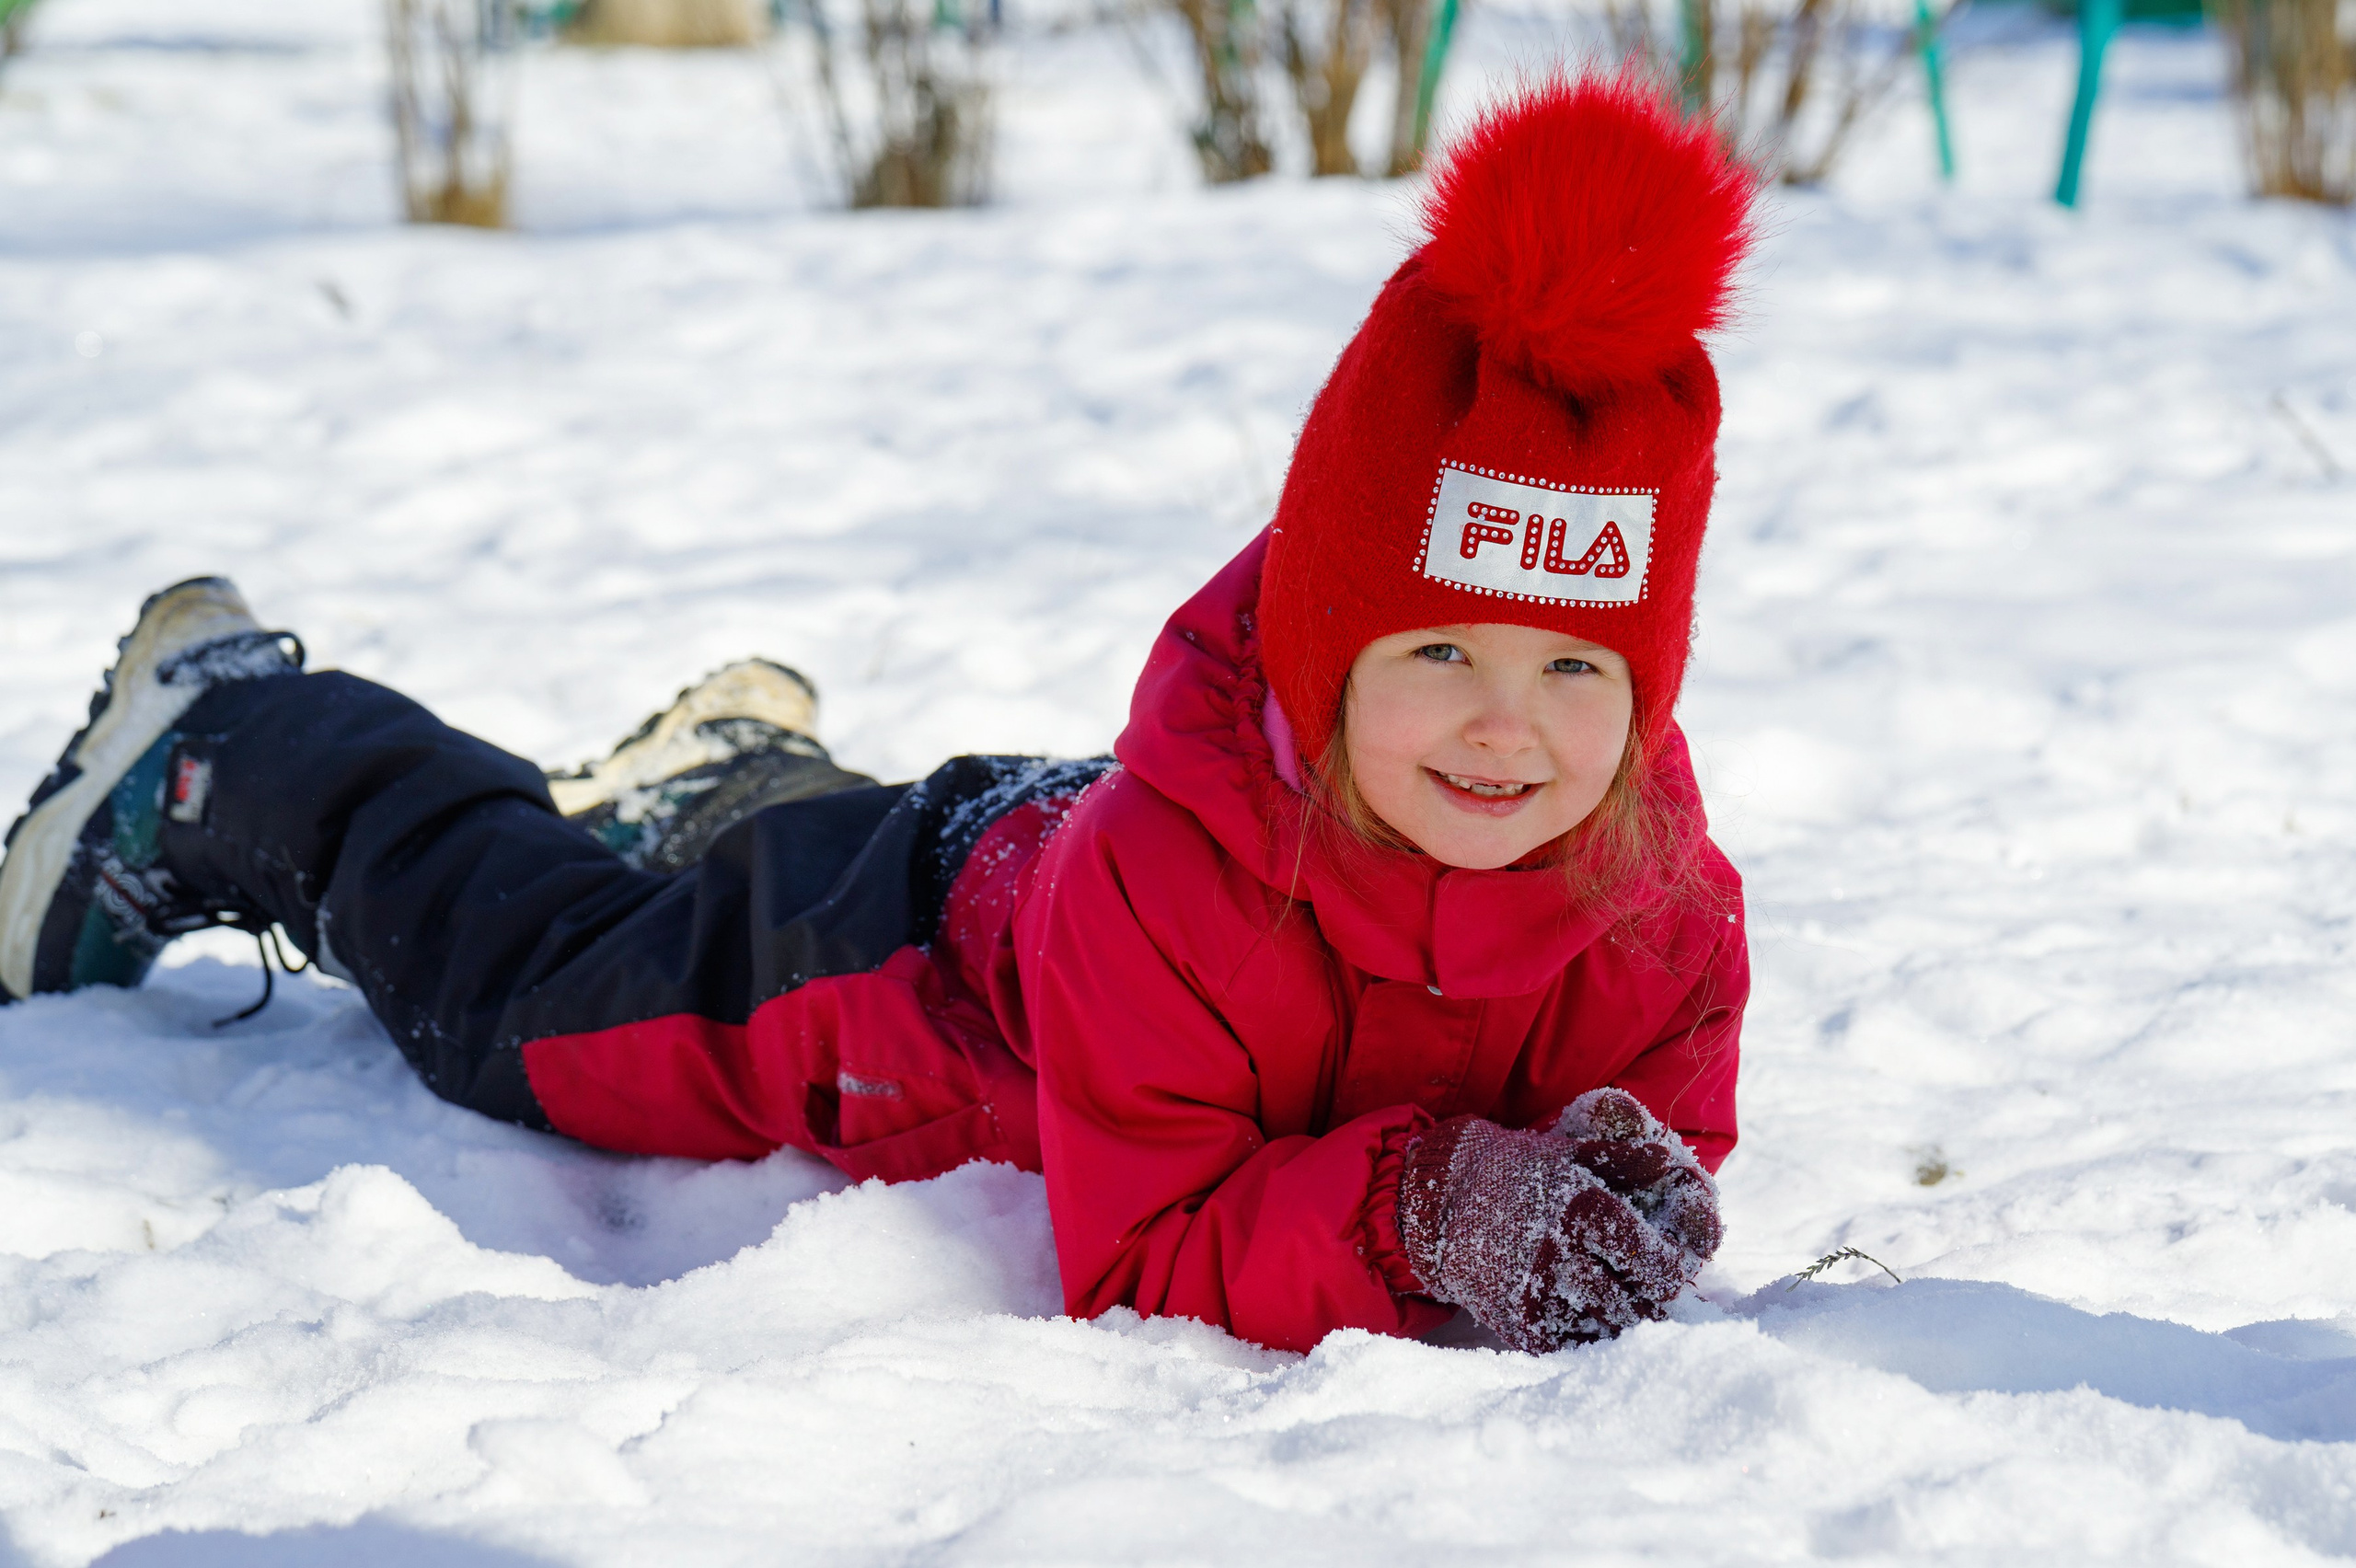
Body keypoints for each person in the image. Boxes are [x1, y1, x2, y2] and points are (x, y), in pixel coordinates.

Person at [0, 72, 1755, 1356]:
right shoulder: (1180, 887)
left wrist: (1618, 1209)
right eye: (1439, 652)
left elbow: (1659, 1154)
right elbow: (1144, 1253)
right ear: (1322, 658)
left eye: (1575, 669)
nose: (1504, 727)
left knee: (755, 863)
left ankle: (734, 781)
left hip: (1031, 851)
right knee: (518, 1008)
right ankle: (235, 746)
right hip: (896, 960)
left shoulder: (1661, 915)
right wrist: (1422, 1209)